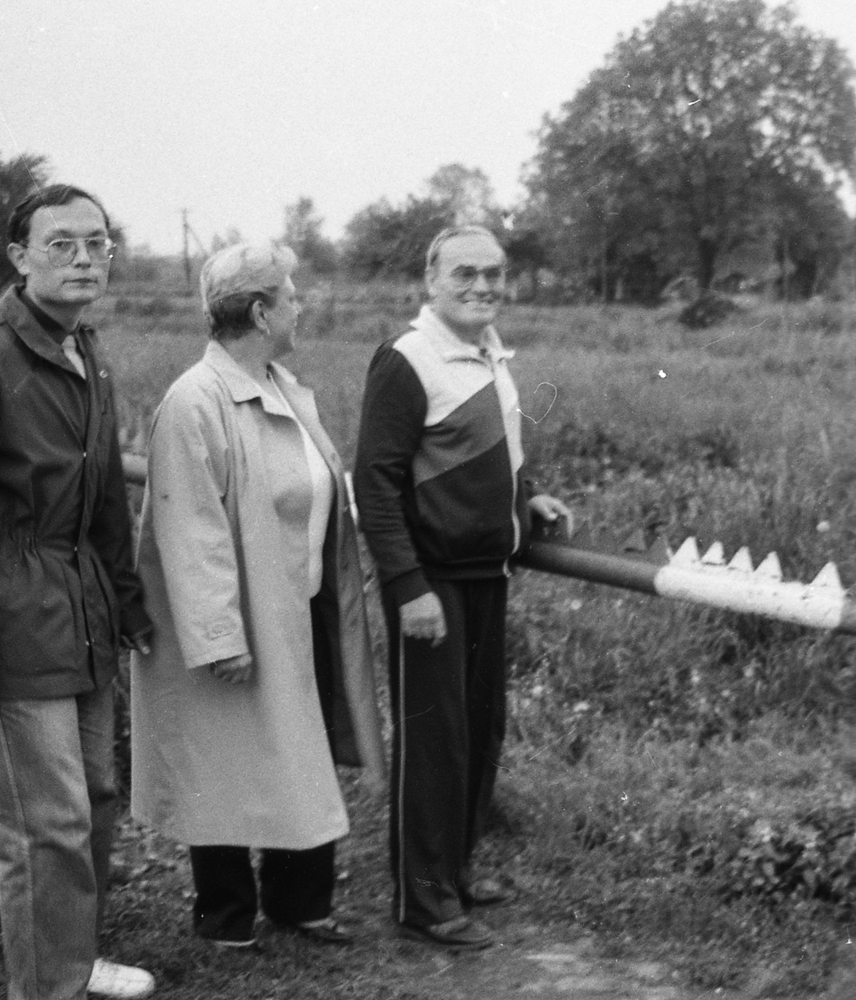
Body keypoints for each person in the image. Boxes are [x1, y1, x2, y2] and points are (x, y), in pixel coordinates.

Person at [0, 184, 156, 999]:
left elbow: (105, 504)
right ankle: (47, 988)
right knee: (45, 824)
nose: (85, 259)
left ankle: (71, 962)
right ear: (19, 257)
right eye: (62, 245)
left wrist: (127, 603)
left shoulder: (87, 351)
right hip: (13, 620)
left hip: (82, 611)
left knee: (96, 801)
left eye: (97, 243)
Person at [128, 241, 386, 950]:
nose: (302, 305)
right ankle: (226, 914)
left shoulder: (282, 387)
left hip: (297, 609)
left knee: (295, 752)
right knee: (222, 760)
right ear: (261, 312)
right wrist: (219, 637)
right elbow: (191, 530)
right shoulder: (196, 401)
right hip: (239, 621)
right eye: (292, 295)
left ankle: (299, 903)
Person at [354, 225, 572, 951]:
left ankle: (456, 870)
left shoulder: (490, 352)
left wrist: (527, 498)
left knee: (479, 731)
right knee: (434, 740)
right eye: (465, 273)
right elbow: (376, 484)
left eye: (494, 273)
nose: (483, 286)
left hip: (487, 573)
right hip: (432, 581)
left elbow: (495, 451)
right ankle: (422, 900)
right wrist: (407, 585)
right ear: (431, 279)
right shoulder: (407, 358)